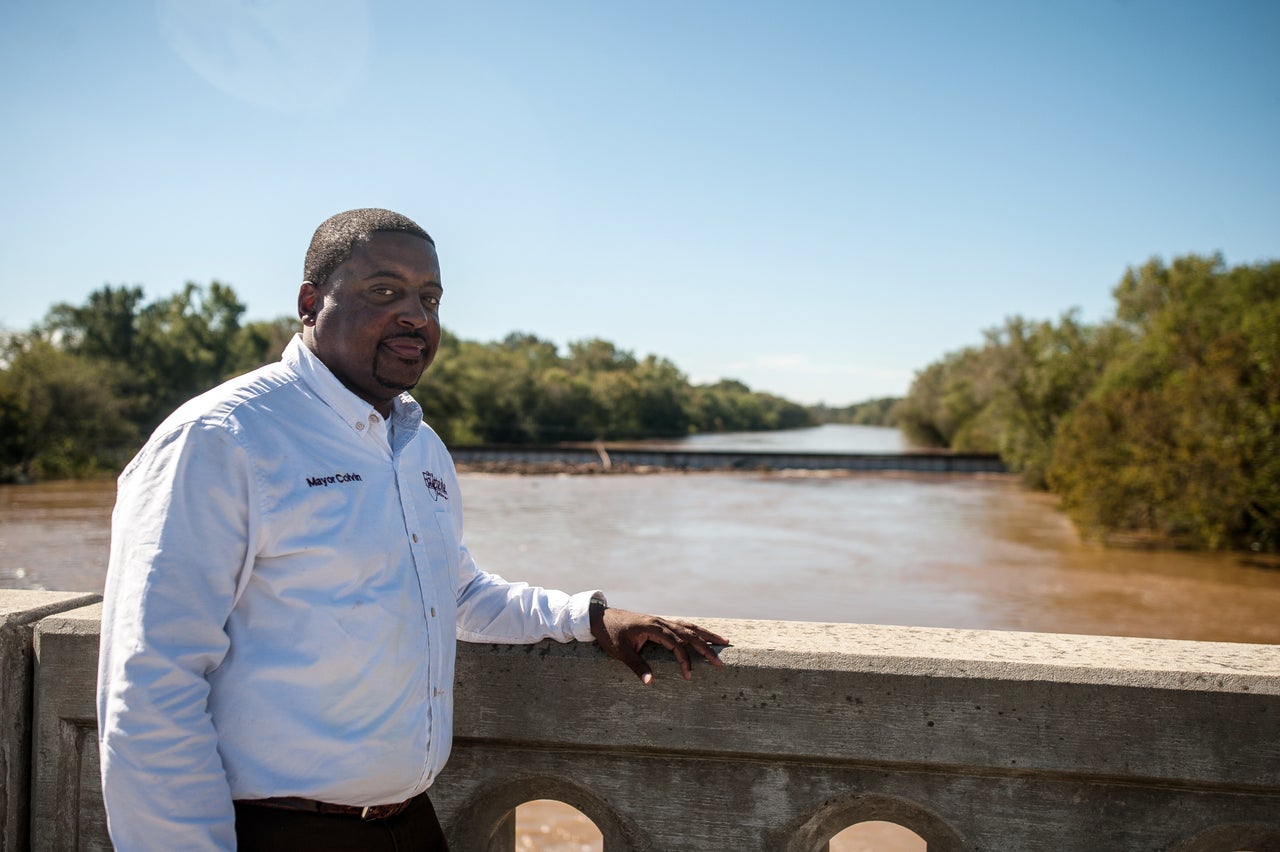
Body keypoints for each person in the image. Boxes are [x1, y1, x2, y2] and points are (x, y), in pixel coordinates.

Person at [96, 208, 728, 851]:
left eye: (430, 298)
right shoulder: (220, 438)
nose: (416, 316)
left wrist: (591, 617)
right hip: (273, 830)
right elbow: (150, 682)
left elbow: (455, 593)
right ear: (311, 303)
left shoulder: (418, 445)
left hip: (409, 825)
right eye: (384, 291)